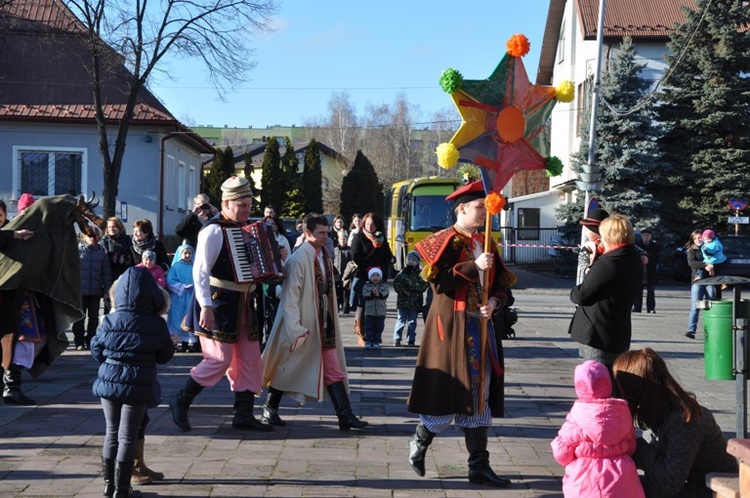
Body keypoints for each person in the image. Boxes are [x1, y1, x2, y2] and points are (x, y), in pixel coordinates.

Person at [407, 180, 515, 488]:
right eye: (479, 207)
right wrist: (472, 266)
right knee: (451, 396)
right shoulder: (443, 240)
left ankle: (478, 467)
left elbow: (501, 287)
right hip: (452, 329)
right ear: (462, 208)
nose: (484, 213)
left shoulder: (486, 242)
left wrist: (494, 302)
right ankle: (421, 438)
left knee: (479, 398)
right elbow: (439, 283)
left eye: (486, 207)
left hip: (482, 328)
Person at [169, 176, 271, 433]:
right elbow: (200, 271)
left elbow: (251, 266)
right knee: (219, 358)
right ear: (227, 203)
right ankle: (180, 400)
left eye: (249, 205)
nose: (248, 211)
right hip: (219, 302)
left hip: (245, 302)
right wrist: (205, 306)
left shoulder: (246, 229)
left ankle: (243, 414)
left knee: (250, 358)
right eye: (242, 206)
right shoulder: (214, 229)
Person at [260, 213, 369, 431]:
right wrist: (295, 329)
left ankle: (345, 416)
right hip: (303, 324)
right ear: (307, 232)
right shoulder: (299, 258)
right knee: (286, 366)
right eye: (320, 233)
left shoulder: (322, 255)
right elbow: (290, 297)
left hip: (321, 322)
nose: (325, 236)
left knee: (330, 367)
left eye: (326, 232)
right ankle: (270, 408)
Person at [91, 266, 174, 498]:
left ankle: (109, 486)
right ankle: (123, 489)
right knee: (127, 436)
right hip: (138, 383)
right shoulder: (157, 324)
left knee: (111, 433)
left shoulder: (109, 319)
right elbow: (165, 356)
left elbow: (96, 350)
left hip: (108, 383)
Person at [613, 348, 739, 497]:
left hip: (711, 490)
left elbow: (669, 483)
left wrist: (636, 447)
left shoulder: (684, 421)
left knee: (621, 489)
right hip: (686, 484)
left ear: (635, 391)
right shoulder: (656, 413)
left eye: (618, 387)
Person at [551, 360, 644, 498]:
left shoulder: (575, 419)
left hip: (585, 480)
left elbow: (562, 454)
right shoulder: (622, 413)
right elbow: (631, 446)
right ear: (608, 384)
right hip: (622, 478)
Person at [568, 215, 642, 370]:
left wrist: (590, 268)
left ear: (609, 236)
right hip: (617, 329)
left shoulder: (609, 263)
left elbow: (580, 295)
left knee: (598, 378)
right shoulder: (632, 258)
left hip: (598, 333)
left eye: (601, 235)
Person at [350, 212, 393, 347]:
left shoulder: (381, 238)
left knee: (377, 305)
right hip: (363, 274)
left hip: (379, 277)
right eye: (367, 224)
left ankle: (375, 336)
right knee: (362, 304)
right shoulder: (359, 237)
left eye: (372, 224)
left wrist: (385, 266)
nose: (370, 227)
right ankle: (361, 333)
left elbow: (388, 255)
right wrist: (370, 266)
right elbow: (356, 257)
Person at [72, 227, 112, 351]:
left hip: (95, 291)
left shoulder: (102, 253)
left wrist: (107, 291)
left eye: (94, 236)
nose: (92, 239)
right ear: (84, 237)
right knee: (79, 317)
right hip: (80, 291)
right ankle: (79, 341)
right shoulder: (77, 251)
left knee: (94, 318)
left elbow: (106, 274)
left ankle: (91, 339)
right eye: (89, 236)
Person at [392, 250, 429, 347]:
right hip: (402, 302)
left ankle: (411, 339)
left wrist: (412, 285)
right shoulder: (401, 273)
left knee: (412, 321)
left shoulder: (421, 274)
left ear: (417, 262)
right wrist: (402, 290)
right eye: (409, 259)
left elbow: (423, 287)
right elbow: (396, 284)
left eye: (413, 259)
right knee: (401, 320)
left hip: (415, 303)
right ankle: (397, 338)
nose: (411, 261)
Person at [685, 230, 717, 339]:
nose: (698, 240)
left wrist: (712, 266)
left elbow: (719, 260)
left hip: (710, 281)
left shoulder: (710, 247)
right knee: (695, 306)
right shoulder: (691, 250)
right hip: (697, 281)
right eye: (695, 238)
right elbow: (692, 263)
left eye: (700, 237)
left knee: (710, 305)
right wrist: (706, 265)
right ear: (692, 240)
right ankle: (691, 330)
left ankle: (712, 329)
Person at [166, 244, 198, 352]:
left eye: (190, 253)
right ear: (180, 254)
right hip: (179, 297)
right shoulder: (175, 267)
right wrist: (183, 286)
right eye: (185, 253)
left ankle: (190, 343)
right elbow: (170, 281)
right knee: (177, 319)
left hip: (192, 296)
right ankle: (176, 342)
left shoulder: (195, 266)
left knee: (190, 318)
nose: (188, 255)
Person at [577, 208, 609, 281]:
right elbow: (582, 260)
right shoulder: (589, 246)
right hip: (595, 277)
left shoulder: (611, 243)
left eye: (587, 230)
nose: (586, 233)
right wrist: (586, 268)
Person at [633, 228, 661, 314]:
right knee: (638, 291)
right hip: (640, 270)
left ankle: (651, 308)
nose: (646, 237)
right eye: (644, 235)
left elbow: (657, 258)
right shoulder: (637, 245)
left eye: (648, 236)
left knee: (651, 291)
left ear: (651, 236)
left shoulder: (655, 246)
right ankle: (637, 307)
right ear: (641, 236)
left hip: (650, 270)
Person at [361, 266, 389, 349]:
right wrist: (372, 294)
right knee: (369, 326)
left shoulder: (384, 285)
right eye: (373, 276)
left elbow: (386, 293)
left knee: (379, 327)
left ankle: (377, 340)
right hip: (370, 311)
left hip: (381, 311)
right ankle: (368, 340)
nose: (375, 278)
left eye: (377, 276)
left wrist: (379, 294)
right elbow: (365, 295)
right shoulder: (367, 285)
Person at [333, 231, 352, 314]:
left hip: (346, 275)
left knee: (346, 293)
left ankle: (346, 308)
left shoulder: (349, 250)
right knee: (337, 293)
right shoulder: (335, 250)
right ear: (338, 240)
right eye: (341, 239)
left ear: (347, 240)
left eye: (344, 239)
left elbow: (352, 262)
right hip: (337, 274)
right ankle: (336, 309)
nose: (342, 241)